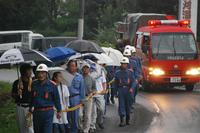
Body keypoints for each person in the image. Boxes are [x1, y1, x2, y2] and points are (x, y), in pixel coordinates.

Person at [29, 64, 61, 133]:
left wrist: (59, 111)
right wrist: (30, 108)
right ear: (36, 73)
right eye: (39, 73)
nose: (41, 75)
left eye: (43, 73)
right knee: (37, 131)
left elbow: (57, 99)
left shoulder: (52, 85)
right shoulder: (34, 84)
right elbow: (32, 97)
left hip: (48, 113)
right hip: (37, 112)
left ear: (46, 74)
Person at [11, 63, 34, 133]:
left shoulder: (33, 82)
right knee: (22, 129)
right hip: (20, 108)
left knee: (31, 129)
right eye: (29, 70)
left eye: (31, 70)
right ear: (23, 71)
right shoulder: (17, 83)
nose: (31, 72)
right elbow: (13, 95)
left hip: (30, 108)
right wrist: (17, 93)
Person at [115, 57, 136, 127]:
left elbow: (133, 82)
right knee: (121, 105)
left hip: (128, 90)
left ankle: (128, 119)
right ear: (121, 64)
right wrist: (115, 92)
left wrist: (132, 88)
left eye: (125, 64)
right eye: (122, 64)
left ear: (127, 64)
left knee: (128, 105)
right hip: (121, 90)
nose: (124, 65)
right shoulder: (117, 73)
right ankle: (122, 120)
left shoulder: (130, 73)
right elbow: (115, 83)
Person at [66, 60, 85, 133]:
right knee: (67, 117)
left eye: (74, 66)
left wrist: (82, 101)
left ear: (76, 67)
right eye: (71, 65)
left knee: (75, 117)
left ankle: (74, 131)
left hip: (75, 98)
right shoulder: (64, 75)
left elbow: (82, 89)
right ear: (68, 66)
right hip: (66, 98)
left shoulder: (79, 77)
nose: (72, 67)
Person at [90, 60, 106, 132]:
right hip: (91, 94)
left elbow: (104, 81)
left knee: (101, 109)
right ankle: (92, 126)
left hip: (100, 93)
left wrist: (104, 89)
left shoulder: (101, 70)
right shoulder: (88, 70)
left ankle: (100, 121)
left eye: (95, 60)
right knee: (93, 111)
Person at [81, 63, 96, 133]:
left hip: (89, 98)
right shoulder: (79, 77)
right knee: (79, 115)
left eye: (87, 68)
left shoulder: (92, 79)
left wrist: (92, 93)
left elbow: (94, 89)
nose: (85, 69)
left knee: (87, 115)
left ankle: (86, 130)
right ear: (82, 69)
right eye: (84, 68)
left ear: (89, 69)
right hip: (80, 98)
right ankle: (81, 127)